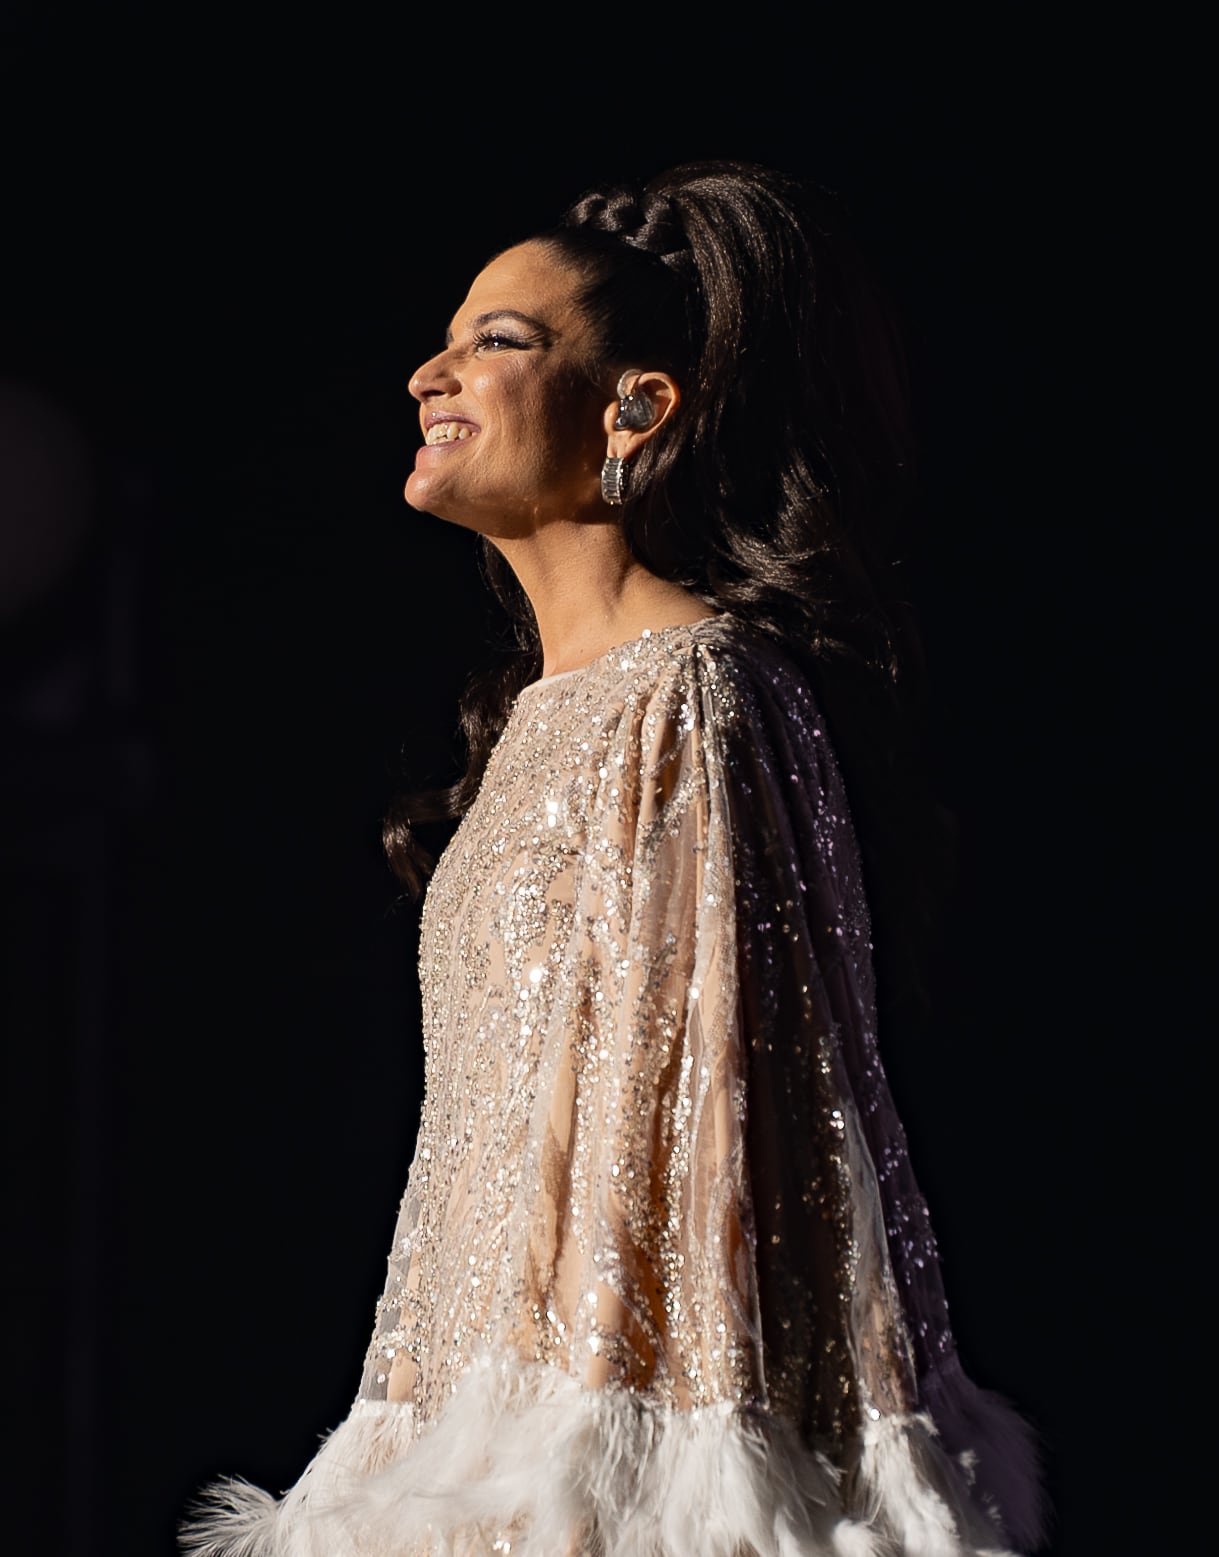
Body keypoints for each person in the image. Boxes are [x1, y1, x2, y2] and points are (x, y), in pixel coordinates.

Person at [186, 162, 1044, 1557]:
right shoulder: (546, 719)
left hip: (612, 1477)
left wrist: (587, 1497)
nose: (428, 373)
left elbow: (711, 1143)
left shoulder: (689, 697)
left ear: (637, 407)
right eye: (446, 337)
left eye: (495, 342)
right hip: (484, 1445)